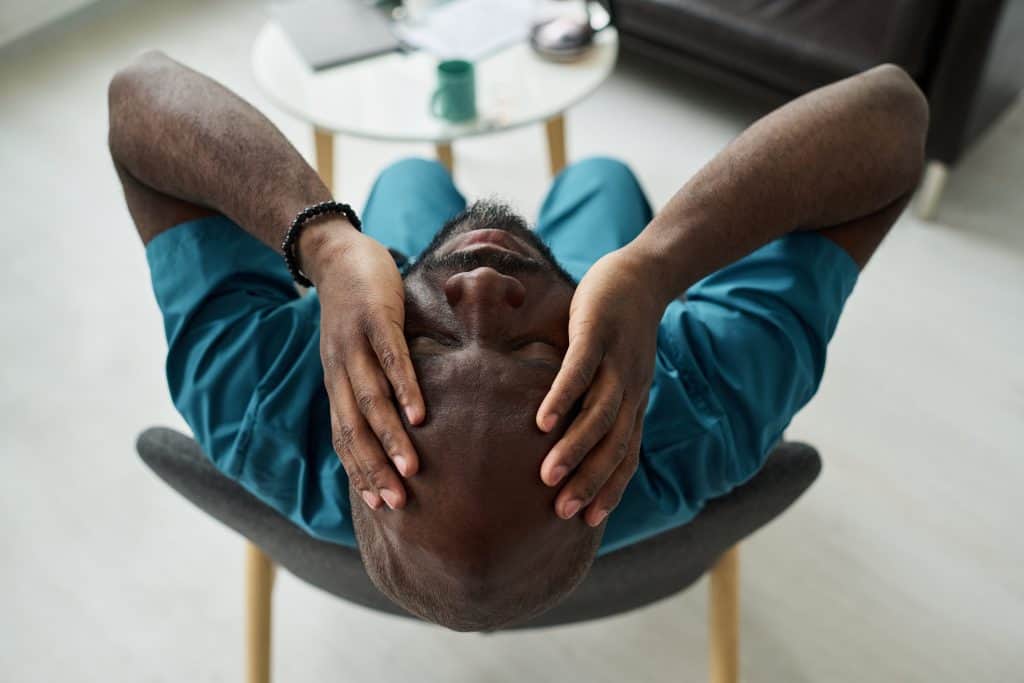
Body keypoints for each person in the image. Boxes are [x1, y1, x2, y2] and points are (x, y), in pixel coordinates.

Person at [108, 52, 927, 631]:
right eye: (541, 360)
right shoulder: (699, 409)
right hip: (606, 295)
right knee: (599, 176)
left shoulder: (257, 403)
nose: (479, 290)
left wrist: (325, 244)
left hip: (394, 275)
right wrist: (653, 266)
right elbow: (893, 113)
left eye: (417, 356)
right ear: (619, 443)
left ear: (346, 430)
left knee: (406, 182)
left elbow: (137, 92)